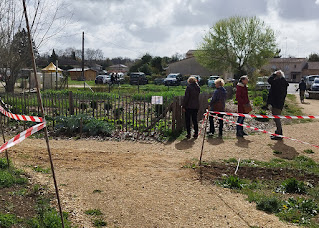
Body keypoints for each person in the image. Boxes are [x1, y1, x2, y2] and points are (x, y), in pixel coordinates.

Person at [267, 70, 289, 140]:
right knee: (276, 118)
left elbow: (269, 80)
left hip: (276, 103)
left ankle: (279, 133)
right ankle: (278, 132)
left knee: (276, 118)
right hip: (280, 102)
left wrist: (274, 74)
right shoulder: (283, 82)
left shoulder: (278, 82)